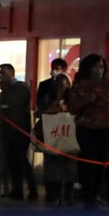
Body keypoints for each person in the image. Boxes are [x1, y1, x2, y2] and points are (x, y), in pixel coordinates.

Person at [66, 53, 109, 208]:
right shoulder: (80, 85)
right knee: (89, 160)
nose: (98, 70)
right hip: (86, 128)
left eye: (101, 66)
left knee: (102, 162)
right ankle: (87, 194)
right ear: (88, 68)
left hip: (106, 129)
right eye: (95, 66)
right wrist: (87, 100)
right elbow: (72, 108)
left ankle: (96, 193)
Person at [0, 63, 39, 200]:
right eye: (0, 73)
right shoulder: (6, 91)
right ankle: (17, 189)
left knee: (21, 159)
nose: (1, 76)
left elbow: (15, 103)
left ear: (11, 73)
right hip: (8, 129)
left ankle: (32, 188)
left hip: (19, 129)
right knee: (12, 161)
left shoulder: (21, 87)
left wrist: (5, 90)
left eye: (4, 73)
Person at [38, 72, 77, 205]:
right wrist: (57, 103)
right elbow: (42, 112)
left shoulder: (73, 98)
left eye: (63, 84)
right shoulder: (48, 97)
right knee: (52, 167)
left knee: (69, 167)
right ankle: (52, 194)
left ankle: (68, 195)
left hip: (68, 136)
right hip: (53, 137)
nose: (60, 86)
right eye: (58, 83)